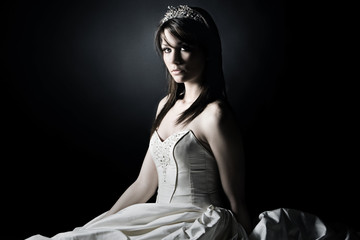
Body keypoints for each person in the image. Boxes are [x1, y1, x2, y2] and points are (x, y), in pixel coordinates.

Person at [28, 5, 354, 240]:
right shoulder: (163, 106)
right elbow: (144, 185)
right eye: (167, 49)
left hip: (199, 223)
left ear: (206, 53)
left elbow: (236, 198)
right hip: (154, 217)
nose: (174, 59)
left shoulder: (215, 115)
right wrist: (99, 224)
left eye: (185, 48)